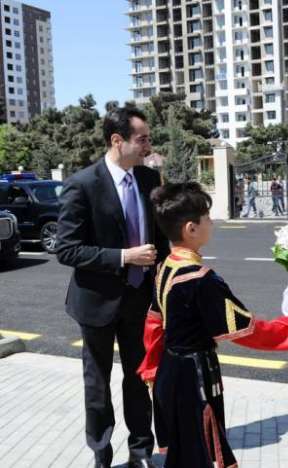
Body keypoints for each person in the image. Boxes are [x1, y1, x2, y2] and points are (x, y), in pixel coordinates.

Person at [136, 182, 288, 468]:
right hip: (194, 377)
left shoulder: (165, 266)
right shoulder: (200, 278)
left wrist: (152, 368)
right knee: (205, 454)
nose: (212, 222)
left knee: (182, 453)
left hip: (169, 373)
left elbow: (154, 323)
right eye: (207, 218)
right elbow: (247, 330)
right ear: (190, 229)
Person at [56, 106, 170, 468]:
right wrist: (124, 257)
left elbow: (161, 242)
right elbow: (67, 249)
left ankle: (140, 452)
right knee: (97, 384)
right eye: (142, 139)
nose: (148, 145)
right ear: (117, 141)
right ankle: (101, 453)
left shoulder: (150, 180)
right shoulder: (82, 184)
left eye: (149, 138)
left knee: (140, 380)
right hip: (96, 302)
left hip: (140, 300)